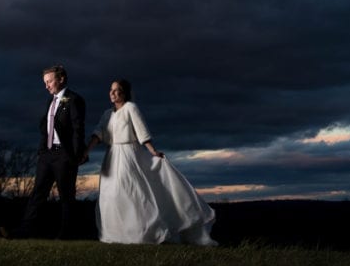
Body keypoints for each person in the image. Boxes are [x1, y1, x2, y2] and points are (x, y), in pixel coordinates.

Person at [83, 79, 216, 246]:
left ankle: (142, 232)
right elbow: (98, 134)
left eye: (117, 90)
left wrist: (153, 151)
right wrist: (86, 151)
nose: (112, 93)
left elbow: (141, 130)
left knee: (129, 191)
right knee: (111, 194)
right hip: (112, 156)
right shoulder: (107, 114)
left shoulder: (131, 108)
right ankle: (117, 233)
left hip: (129, 154)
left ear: (124, 93)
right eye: (111, 90)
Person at [15, 64, 86, 239]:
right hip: (47, 155)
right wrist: (42, 151)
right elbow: (46, 128)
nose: (46, 86)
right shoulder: (50, 101)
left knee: (66, 196)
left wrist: (76, 156)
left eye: (49, 81)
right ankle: (24, 232)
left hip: (64, 156)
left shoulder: (74, 99)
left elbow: (78, 129)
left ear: (61, 79)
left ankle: (66, 234)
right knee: (37, 193)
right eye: (44, 82)